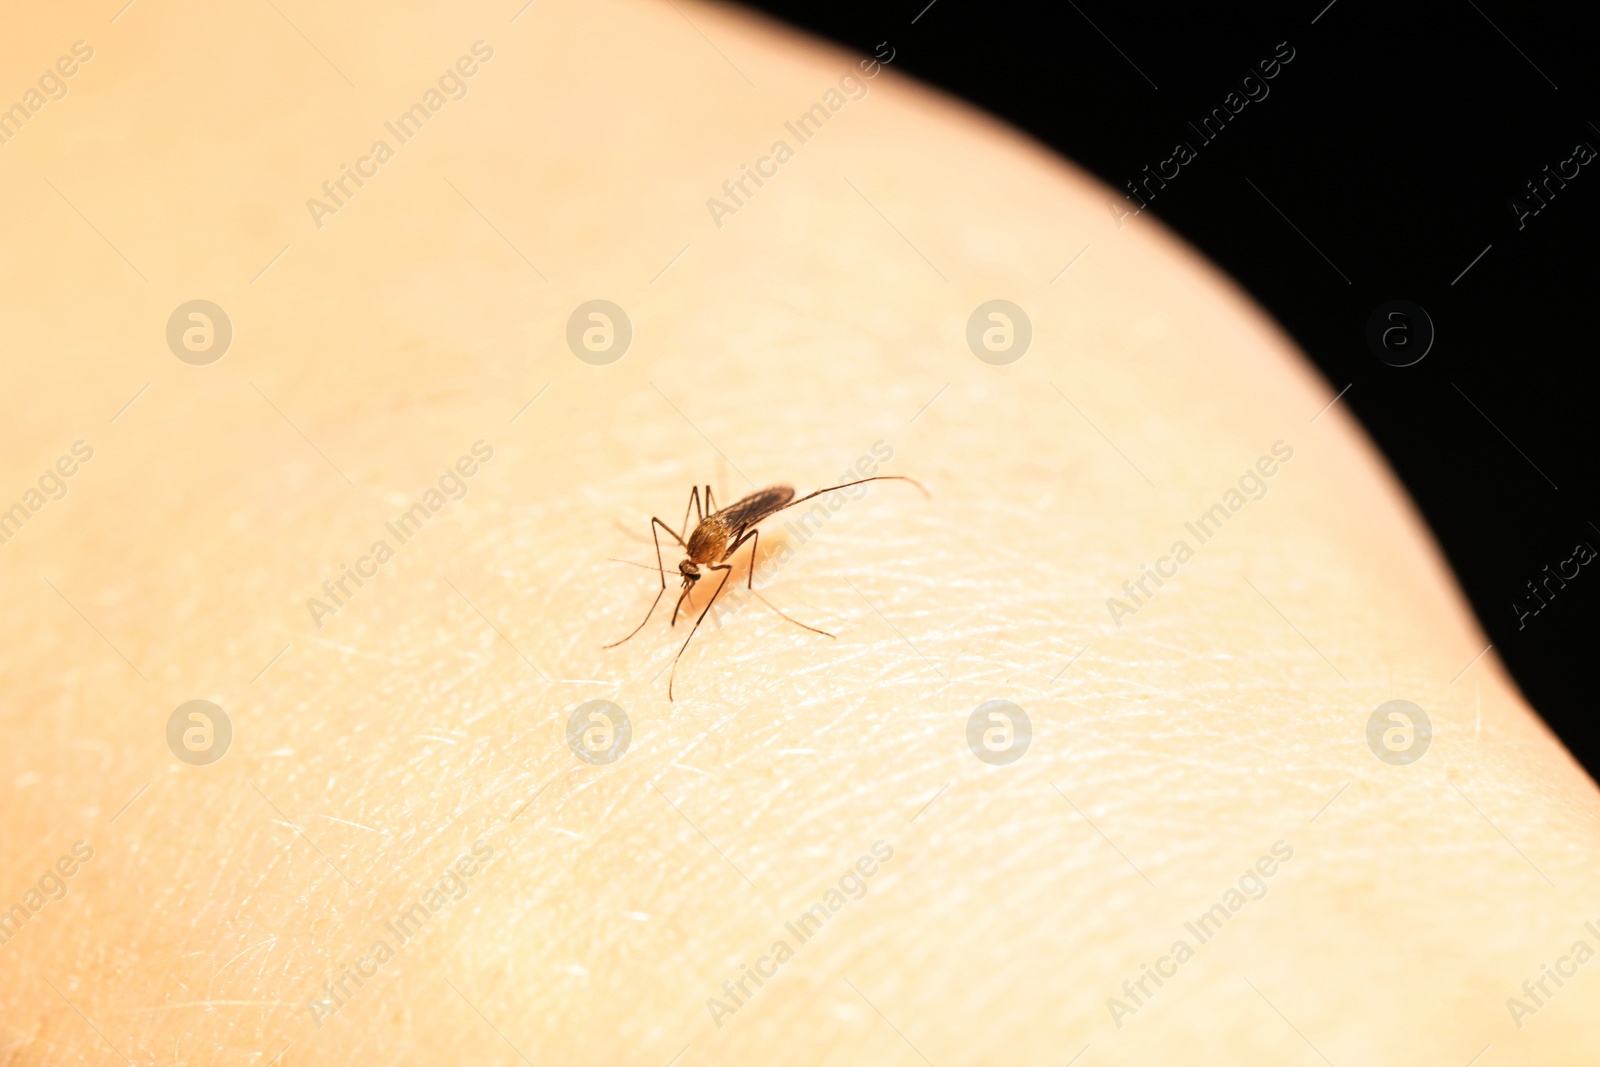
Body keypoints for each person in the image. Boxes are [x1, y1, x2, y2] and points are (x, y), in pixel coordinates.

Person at [1, 1, 1594, 1062]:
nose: (697, 576)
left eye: (700, 572)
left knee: (794, 520)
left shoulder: (742, 545)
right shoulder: (677, 554)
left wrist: (754, 550)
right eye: (697, 571)